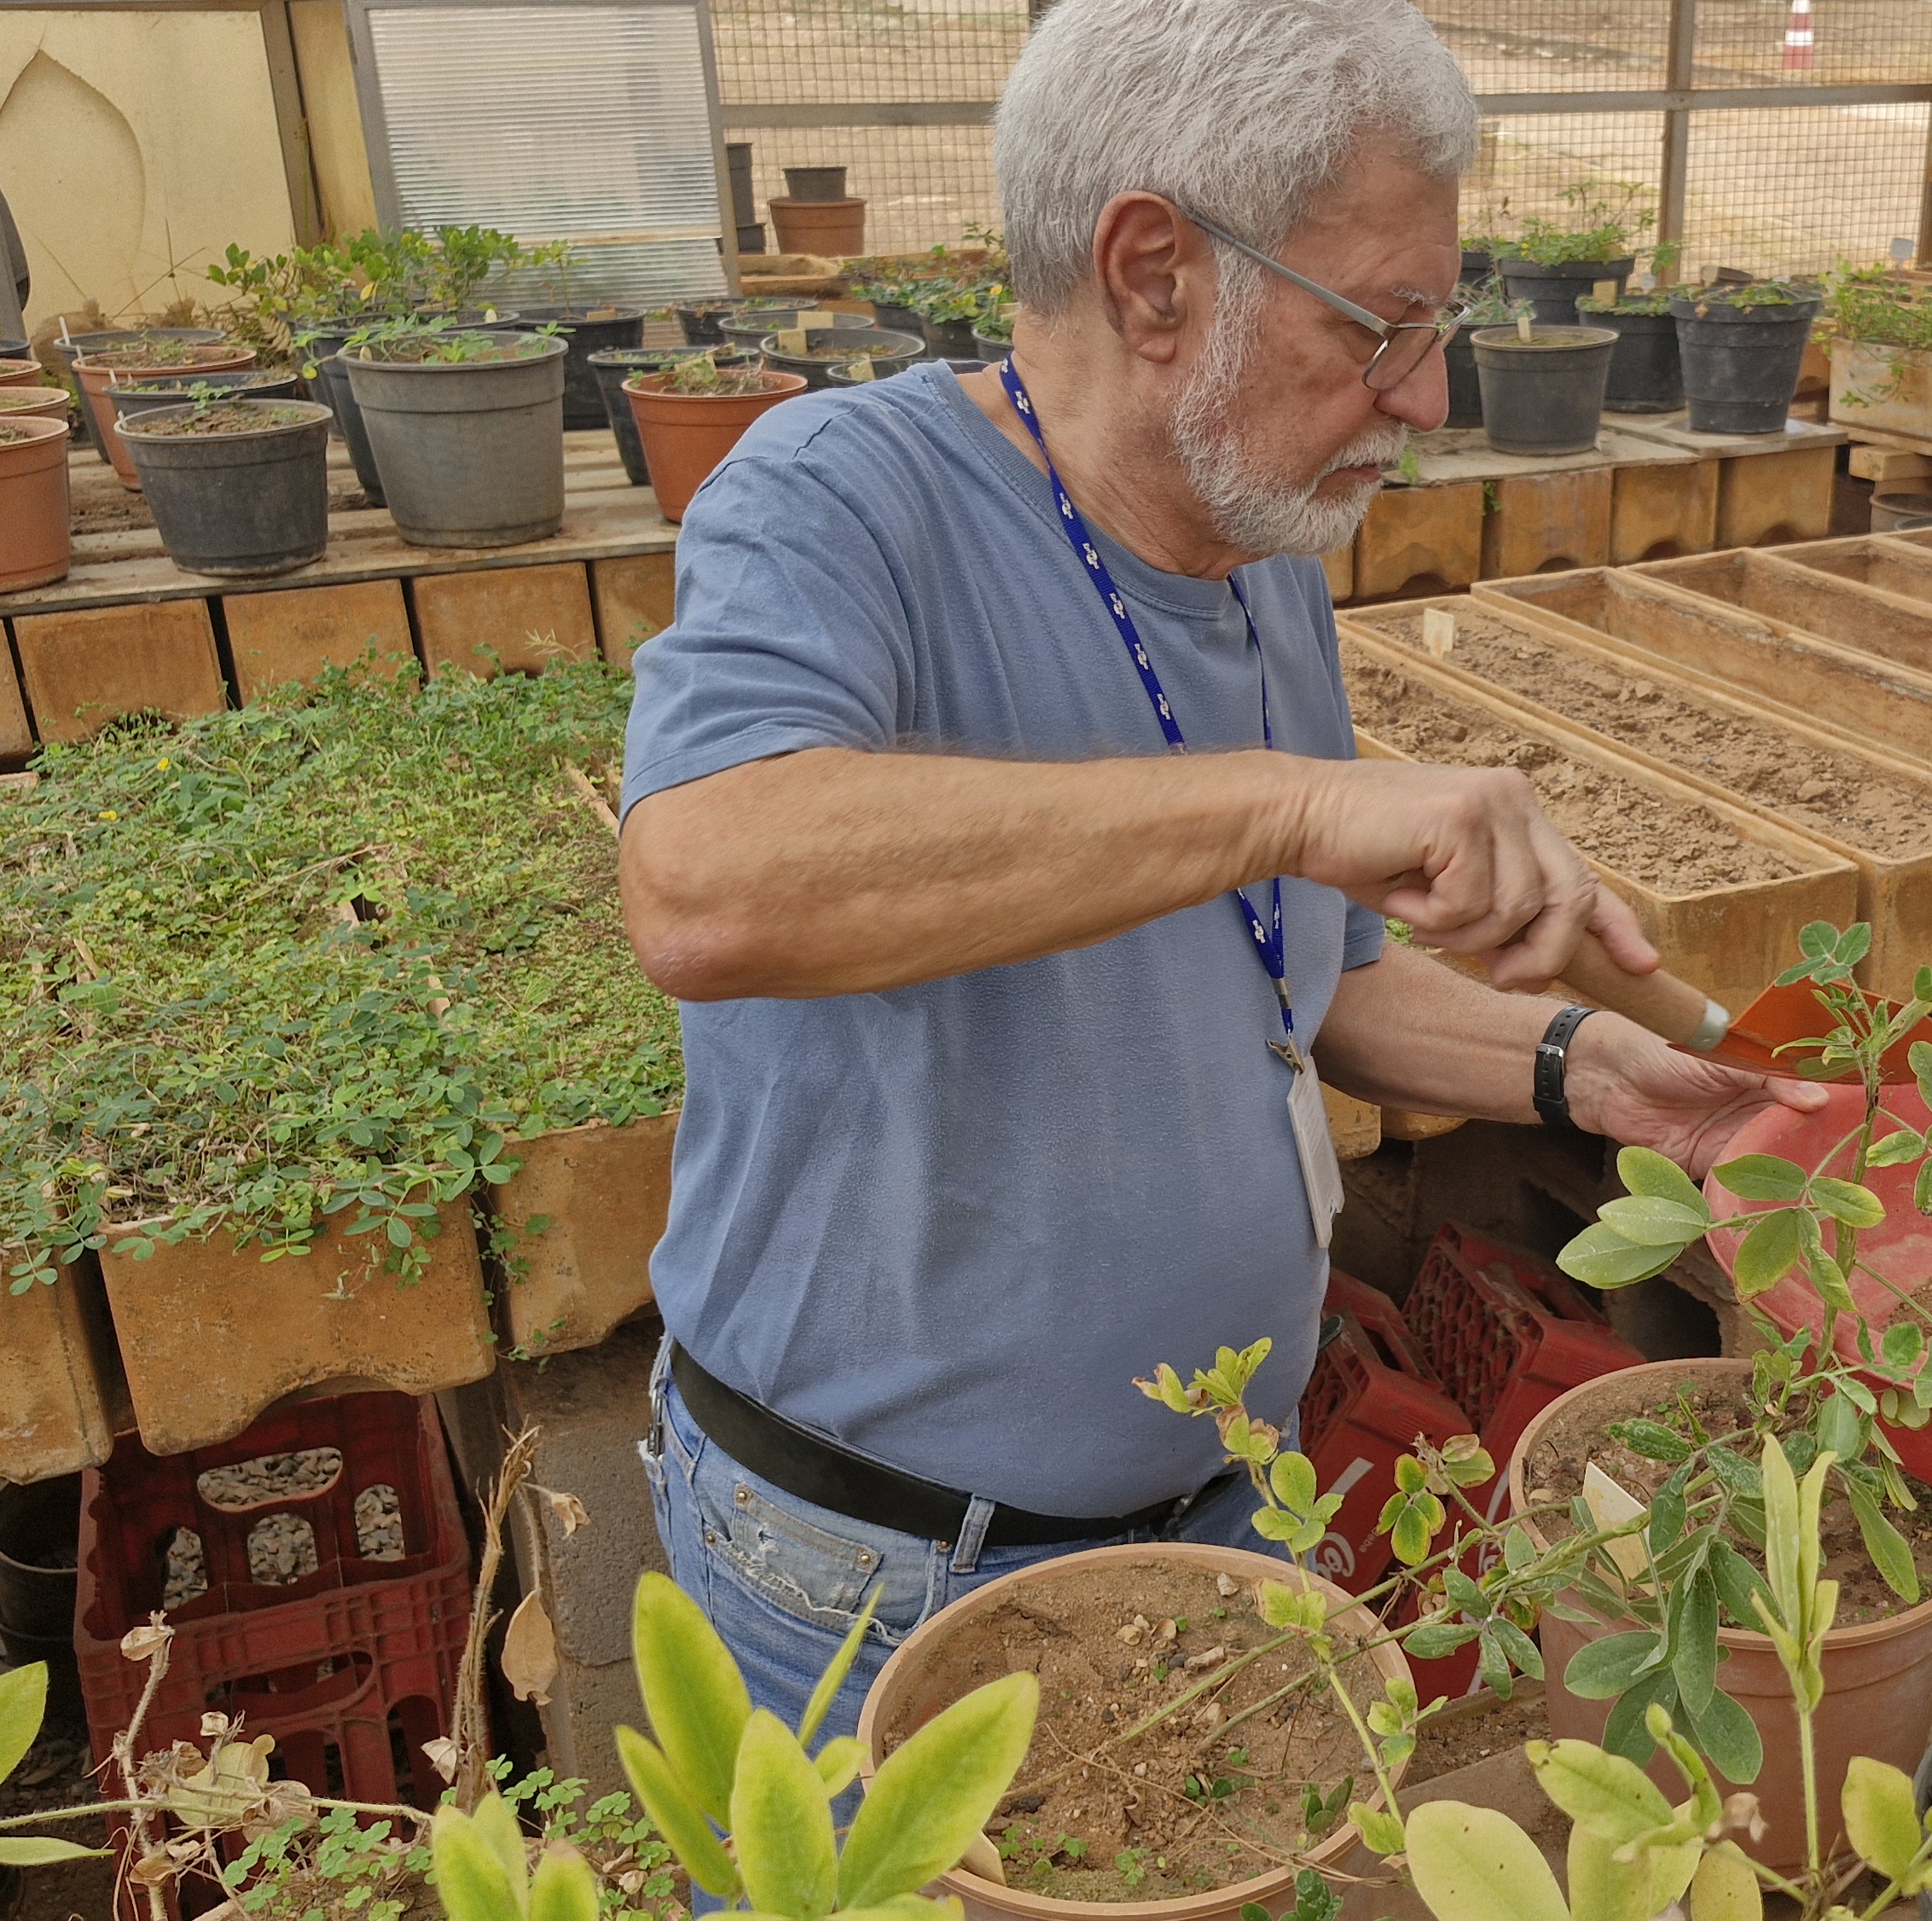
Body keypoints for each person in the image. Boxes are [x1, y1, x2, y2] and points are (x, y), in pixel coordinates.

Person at [614, 0, 1827, 1739]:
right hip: (878, 1577)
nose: (1426, 396)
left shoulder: (1258, 546)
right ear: (1153, 276)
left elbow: (1304, 981)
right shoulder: (837, 498)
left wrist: (1584, 1067)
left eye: (1442, 322)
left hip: (1222, 1506)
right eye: (1382, 325)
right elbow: (704, 886)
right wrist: (1282, 804)